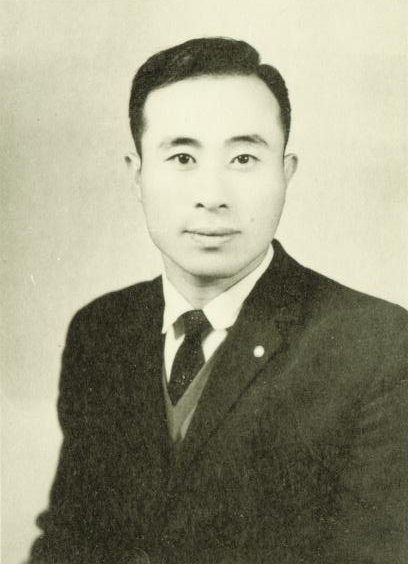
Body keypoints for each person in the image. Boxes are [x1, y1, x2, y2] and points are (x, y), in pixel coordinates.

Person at [28, 37, 407, 564]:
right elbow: (70, 538)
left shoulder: (376, 345)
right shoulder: (102, 329)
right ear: (137, 175)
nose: (213, 196)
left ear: (286, 173)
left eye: (244, 157)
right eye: (182, 157)